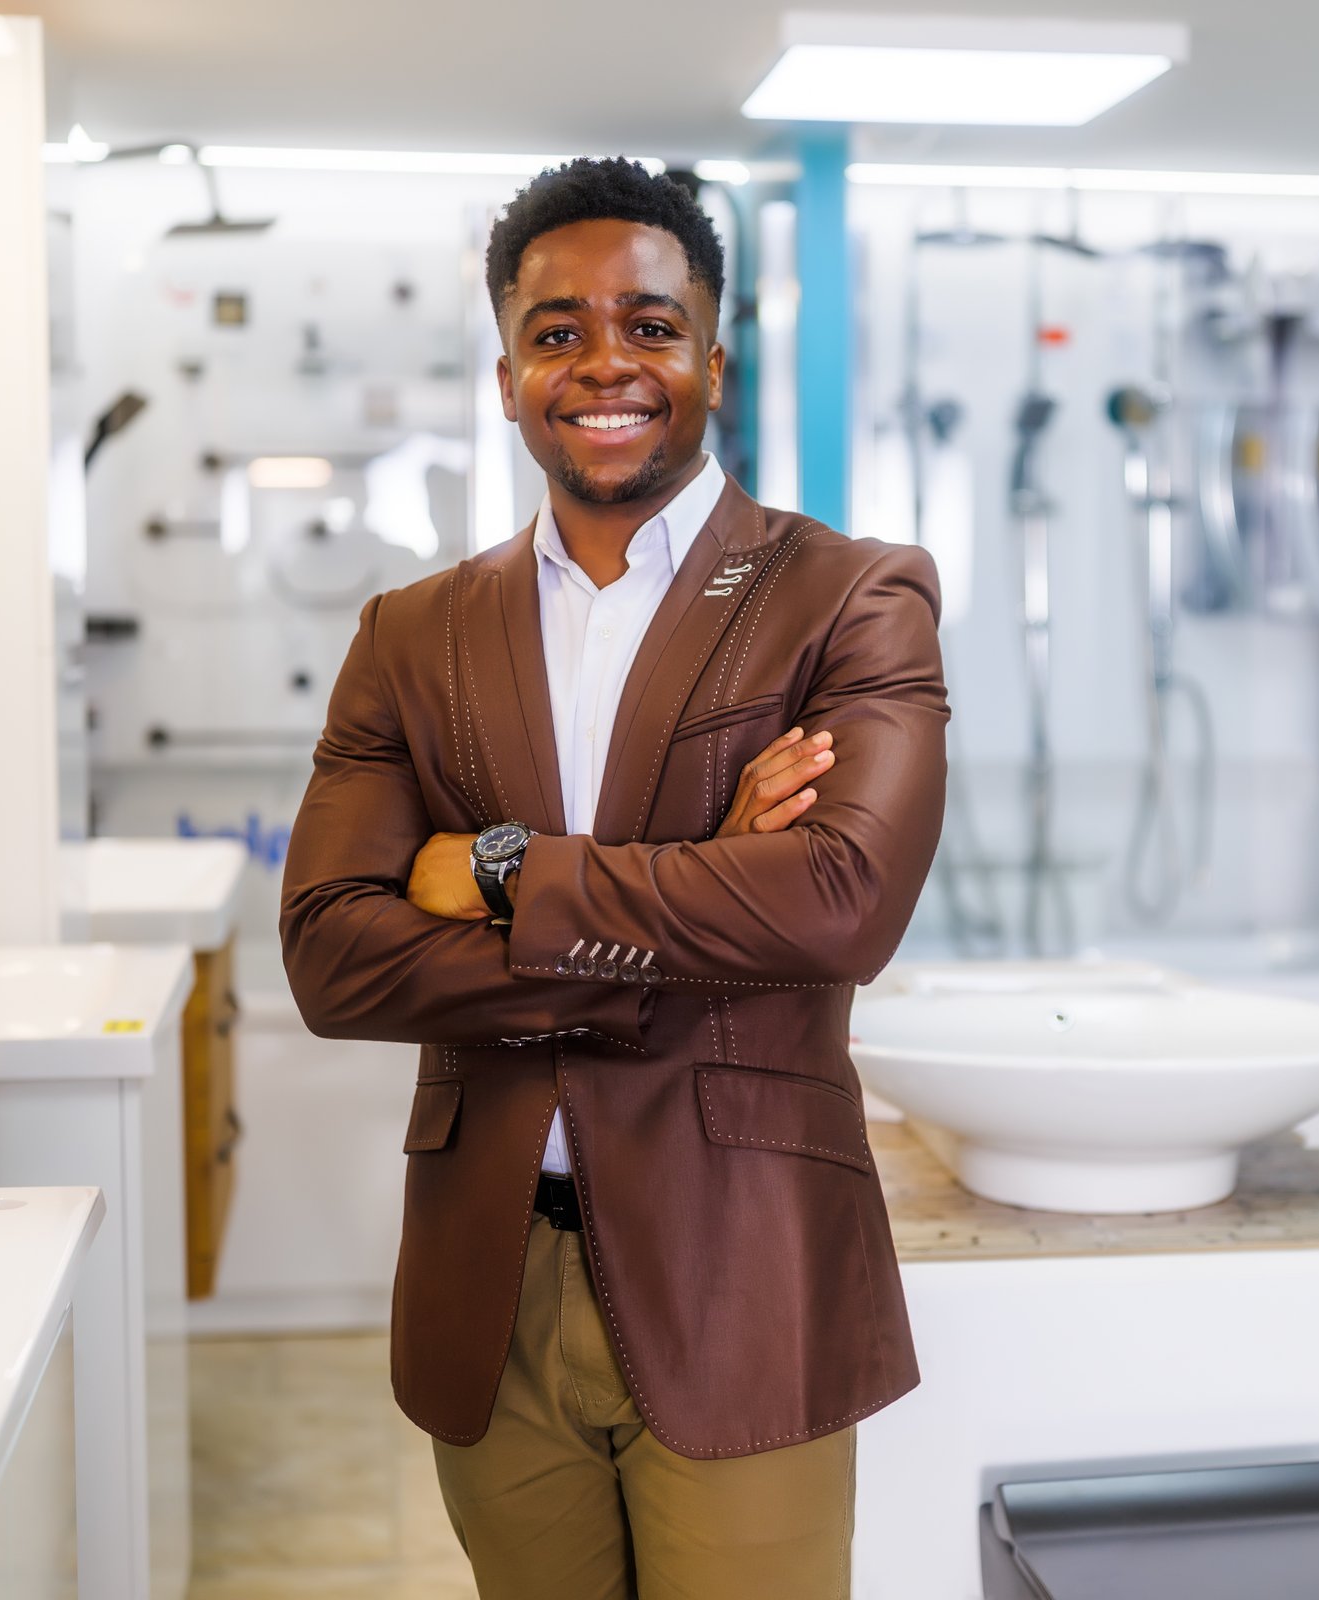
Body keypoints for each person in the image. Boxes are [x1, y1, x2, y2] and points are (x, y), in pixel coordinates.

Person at [279, 156, 948, 1599]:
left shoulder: (849, 596)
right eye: (557, 329)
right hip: (492, 1278)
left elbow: (841, 906)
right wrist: (704, 896)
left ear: (714, 352)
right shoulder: (411, 633)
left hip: (741, 1270)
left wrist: (504, 869)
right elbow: (334, 956)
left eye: (648, 325)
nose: (605, 364)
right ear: (510, 365)